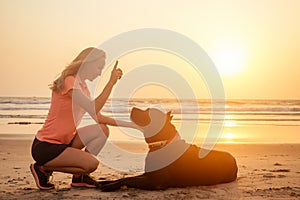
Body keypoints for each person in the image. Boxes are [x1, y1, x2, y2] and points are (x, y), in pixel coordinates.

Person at [30, 47, 137, 190]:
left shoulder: (83, 87)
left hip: (66, 142)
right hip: (46, 146)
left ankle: (78, 178)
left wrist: (132, 125)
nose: (99, 73)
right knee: (91, 164)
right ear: (88, 63)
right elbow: (95, 108)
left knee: (102, 129)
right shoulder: (70, 81)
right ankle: (41, 167)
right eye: (99, 67)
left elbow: (98, 117)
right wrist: (111, 83)